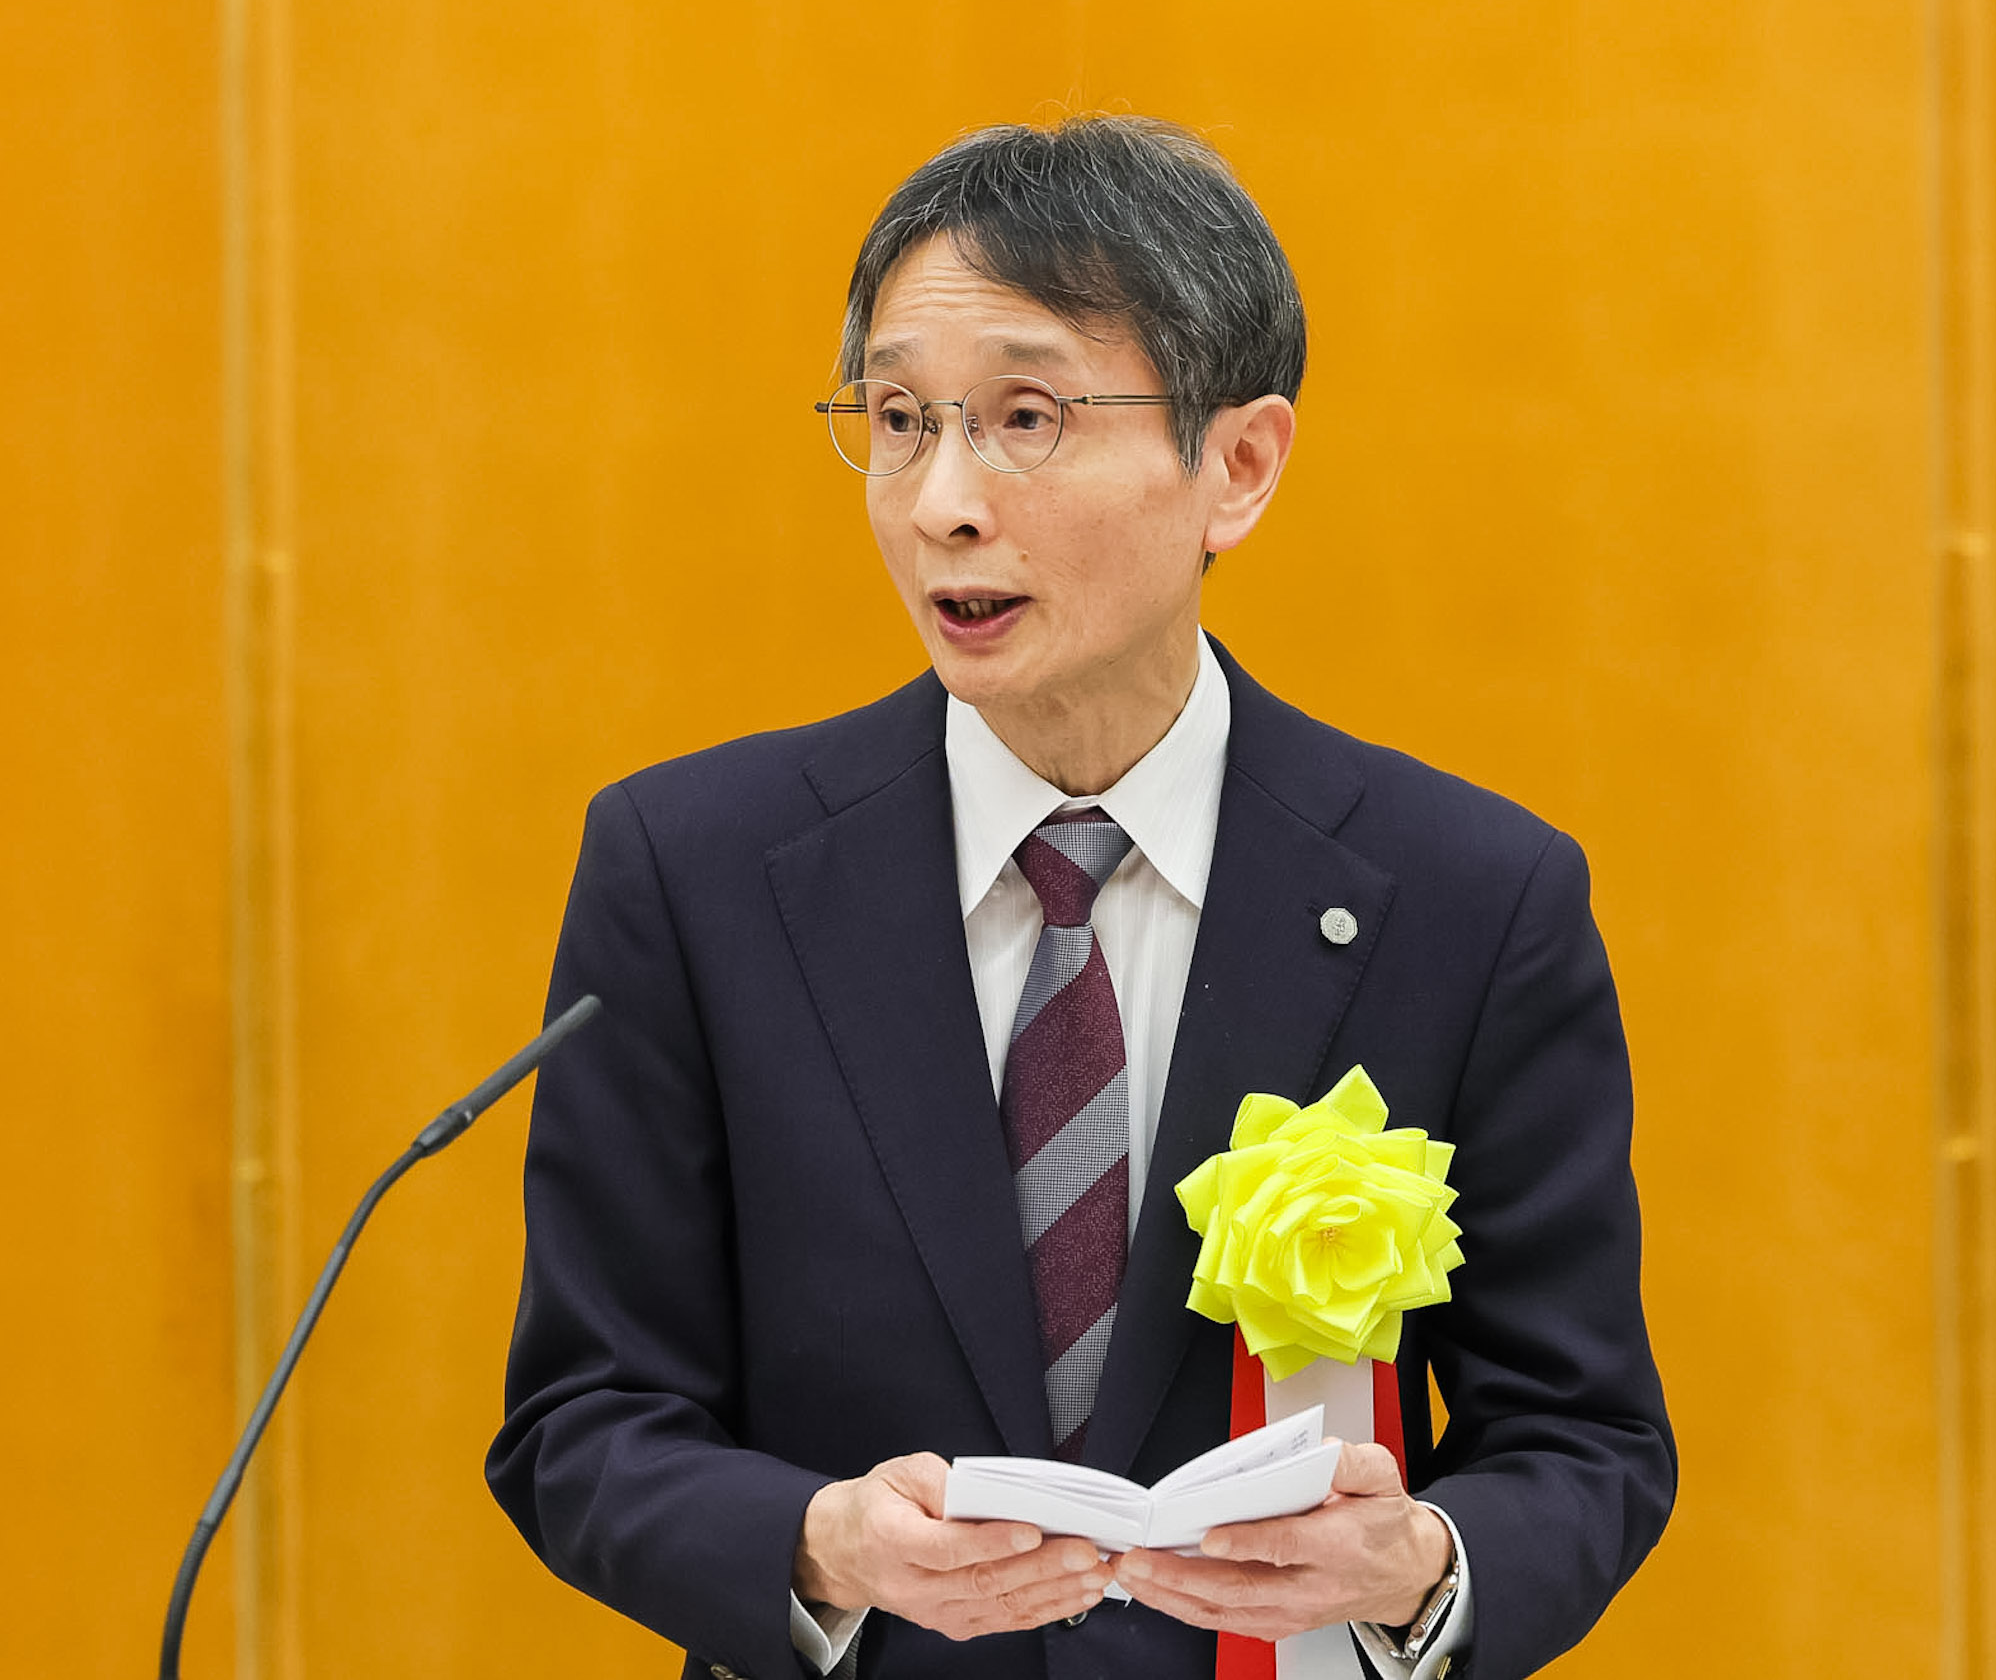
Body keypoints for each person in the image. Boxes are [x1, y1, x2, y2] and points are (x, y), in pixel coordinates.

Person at [487, 114, 1673, 1680]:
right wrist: (820, 1542)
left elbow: (1584, 1438)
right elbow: (584, 1418)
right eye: (900, 419)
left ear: (1236, 465)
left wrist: (1420, 1564)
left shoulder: (1469, 899)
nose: (941, 502)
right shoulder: (694, 871)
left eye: (1026, 418)